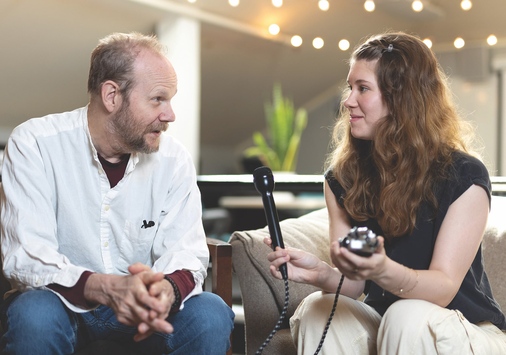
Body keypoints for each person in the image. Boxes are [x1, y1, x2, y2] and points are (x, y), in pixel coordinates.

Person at [266, 32, 506, 354]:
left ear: (401, 98)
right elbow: (354, 284)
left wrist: (382, 269)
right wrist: (322, 273)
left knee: (406, 315)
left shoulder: (464, 176)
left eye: (362, 89)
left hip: (465, 328)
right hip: (391, 322)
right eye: (350, 88)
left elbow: (443, 290)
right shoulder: (343, 178)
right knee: (317, 310)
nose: (348, 101)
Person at [0, 32, 234, 354]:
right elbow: (27, 256)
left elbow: (187, 251)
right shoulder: (35, 143)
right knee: (34, 313)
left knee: (210, 312)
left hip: (144, 309)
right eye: (158, 99)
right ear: (111, 96)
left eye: (171, 100)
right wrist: (106, 288)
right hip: (63, 303)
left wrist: (166, 289)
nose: (170, 115)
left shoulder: (173, 158)